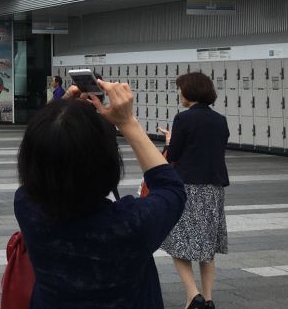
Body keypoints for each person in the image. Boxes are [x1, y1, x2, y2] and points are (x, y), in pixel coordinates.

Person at [11, 79, 186, 309]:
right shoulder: (131, 224)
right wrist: (128, 122)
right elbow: (170, 187)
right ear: (107, 163)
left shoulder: (28, 207)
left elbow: (42, 155)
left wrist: (61, 110)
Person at [158, 72, 230, 309]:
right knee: (206, 246)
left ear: (189, 92)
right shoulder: (220, 120)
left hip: (188, 187)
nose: (178, 93)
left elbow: (175, 154)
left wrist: (169, 140)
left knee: (177, 241)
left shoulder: (183, 119)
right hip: (214, 189)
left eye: (180, 89)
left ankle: (192, 295)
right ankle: (208, 299)